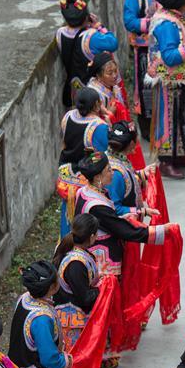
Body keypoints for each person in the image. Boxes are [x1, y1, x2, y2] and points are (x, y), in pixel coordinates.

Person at [74, 152, 175, 368]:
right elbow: (122, 229)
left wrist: (141, 212)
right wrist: (160, 232)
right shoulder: (97, 204)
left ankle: (104, 352)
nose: (113, 172)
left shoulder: (88, 192)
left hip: (102, 259)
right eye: (109, 170)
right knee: (100, 312)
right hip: (102, 264)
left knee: (107, 311)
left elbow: (115, 215)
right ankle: (95, 366)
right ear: (99, 176)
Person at [147, 0, 185, 180]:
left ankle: (178, 155)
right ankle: (165, 161)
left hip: (179, 79)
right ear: (184, 4)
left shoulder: (175, 17)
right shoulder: (167, 24)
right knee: (168, 121)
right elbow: (170, 57)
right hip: (167, 81)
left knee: (181, 117)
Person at [53, 215, 101, 368]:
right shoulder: (76, 263)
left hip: (76, 323)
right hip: (73, 326)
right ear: (91, 237)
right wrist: (103, 289)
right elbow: (84, 297)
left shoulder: (76, 256)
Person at [123, 0, 171, 140]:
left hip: (166, 45)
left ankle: (166, 123)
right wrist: (153, 22)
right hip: (144, 48)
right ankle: (148, 131)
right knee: (146, 88)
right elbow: (129, 21)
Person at [57, 87, 109, 237]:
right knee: (86, 220)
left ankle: (65, 246)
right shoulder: (99, 126)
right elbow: (101, 156)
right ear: (97, 105)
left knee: (67, 216)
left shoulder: (67, 117)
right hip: (85, 179)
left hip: (66, 175)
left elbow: (65, 143)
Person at [55, 0, 118, 107]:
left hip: (73, 88)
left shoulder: (60, 33)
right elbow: (113, 43)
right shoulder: (91, 37)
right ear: (86, 17)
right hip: (93, 90)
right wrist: (99, 26)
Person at [106, 120, 157, 218]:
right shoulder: (115, 173)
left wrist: (142, 173)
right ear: (131, 143)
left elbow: (127, 179)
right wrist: (142, 211)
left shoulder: (114, 157)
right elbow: (114, 208)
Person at [86, 51, 126, 116]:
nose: (114, 76)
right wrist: (110, 113)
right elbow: (94, 121)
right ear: (98, 76)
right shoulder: (94, 94)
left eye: (115, 71)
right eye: (110, 73)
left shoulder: (113, 87)